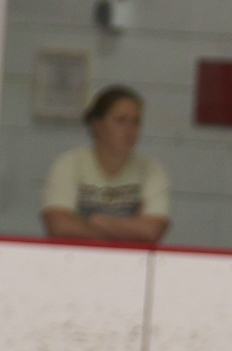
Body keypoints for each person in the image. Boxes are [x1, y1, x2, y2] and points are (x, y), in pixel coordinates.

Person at [41, 85, 171, 245]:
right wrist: (125, 231)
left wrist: (100, 222)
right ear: (97, 124)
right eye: (121, 120)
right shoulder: (69, 163)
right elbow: (58, 225)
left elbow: (152, 231)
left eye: (136, 121)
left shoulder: (151, 170)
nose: (130, 130)